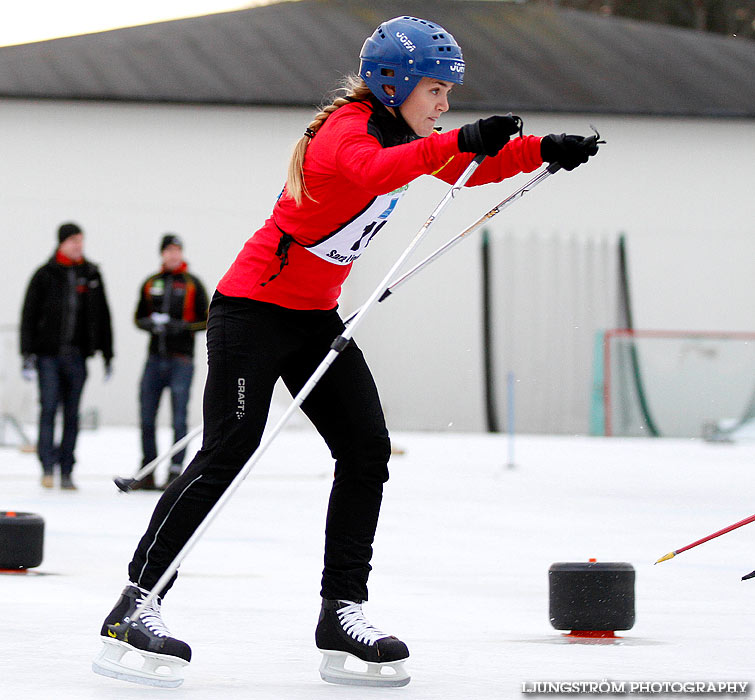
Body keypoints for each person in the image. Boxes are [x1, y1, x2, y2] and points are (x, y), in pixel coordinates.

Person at [93, 16, 599, 688]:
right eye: (435, 91)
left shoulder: (407, 134)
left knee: (365, 448)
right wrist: (459, 139)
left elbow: (469, 167)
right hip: (252, 313)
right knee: (229, 451)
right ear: (393, 84)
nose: (444, 104)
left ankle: (342, 609)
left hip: (312, 319)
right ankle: (138, 601)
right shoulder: (347, 133)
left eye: (449, 93)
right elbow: (377, 168)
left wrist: (542, 151)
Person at [20, 222, 113, 490]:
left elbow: (103, 316)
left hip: (77, 356)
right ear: (61, 243)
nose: (78, 246)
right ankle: (47, 467)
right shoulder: (44, 275)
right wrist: (27, 353)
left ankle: (67, 469)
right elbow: (29, 315)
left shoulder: (91, 274)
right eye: (73, 241)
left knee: (72, 414)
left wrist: (108, 354)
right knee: (48, 409)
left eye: (80, 241)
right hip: (48, 356)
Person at [131, 234, 209, 491]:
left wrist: (181, 327)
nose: (173, 255)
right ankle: (149, 468)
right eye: (168, 251)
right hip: (154, 360)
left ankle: (176, 469)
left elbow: (206, 319)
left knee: (178, 417)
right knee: (146, 416)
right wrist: (150, 324)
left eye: (177, 250)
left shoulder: (192, 284)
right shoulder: (152, 282)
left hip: (181, 361)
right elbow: (138, 317)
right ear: (162, 254)